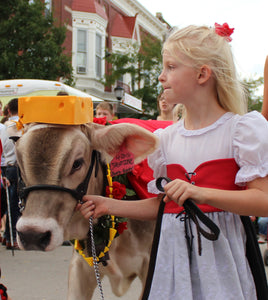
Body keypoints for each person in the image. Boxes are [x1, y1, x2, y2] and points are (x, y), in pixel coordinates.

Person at [79, 24, 268, 299]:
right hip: (173, 264)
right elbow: (163, 206)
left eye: (170, 67)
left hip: (221, 264)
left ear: (202, 74)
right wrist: (108, 205)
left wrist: (200, 192)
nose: (160, 76)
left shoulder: (240, 131)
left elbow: (263, 200)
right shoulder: (166, 139)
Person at [2, 98, 21, 250]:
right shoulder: (19, 126)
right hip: (16, 166)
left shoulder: (4, 126)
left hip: (6, 166)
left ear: (8, 111)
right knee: (15, 204)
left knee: (9, 203)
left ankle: (7, 236)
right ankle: (12, 236)